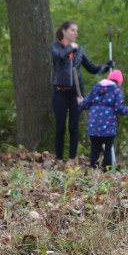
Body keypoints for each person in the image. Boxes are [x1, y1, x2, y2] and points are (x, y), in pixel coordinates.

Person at [51, 20, 113, 160]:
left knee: (74, 127)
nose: (75, 33)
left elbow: (91, 68)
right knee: (60, 127)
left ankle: (72, 159)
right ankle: (59, 159)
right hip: (59, 91)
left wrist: (105, 66)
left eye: (76, 31)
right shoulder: (56, 46)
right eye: (73, 30)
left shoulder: (80, 50)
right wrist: (70, 47)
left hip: (76, 92)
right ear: (64, 31)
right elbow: (60, 56)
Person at [78, 69, 128, 170]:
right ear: (119, 82)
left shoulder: (96, 87)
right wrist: (127, 110)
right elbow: (118, 108)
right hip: (108, 126)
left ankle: (93, 171)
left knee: (95, 149)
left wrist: (81, 102)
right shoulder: (116, 90)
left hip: (94, 124)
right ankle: (107, 172)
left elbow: (85, 104)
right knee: (107, 149)